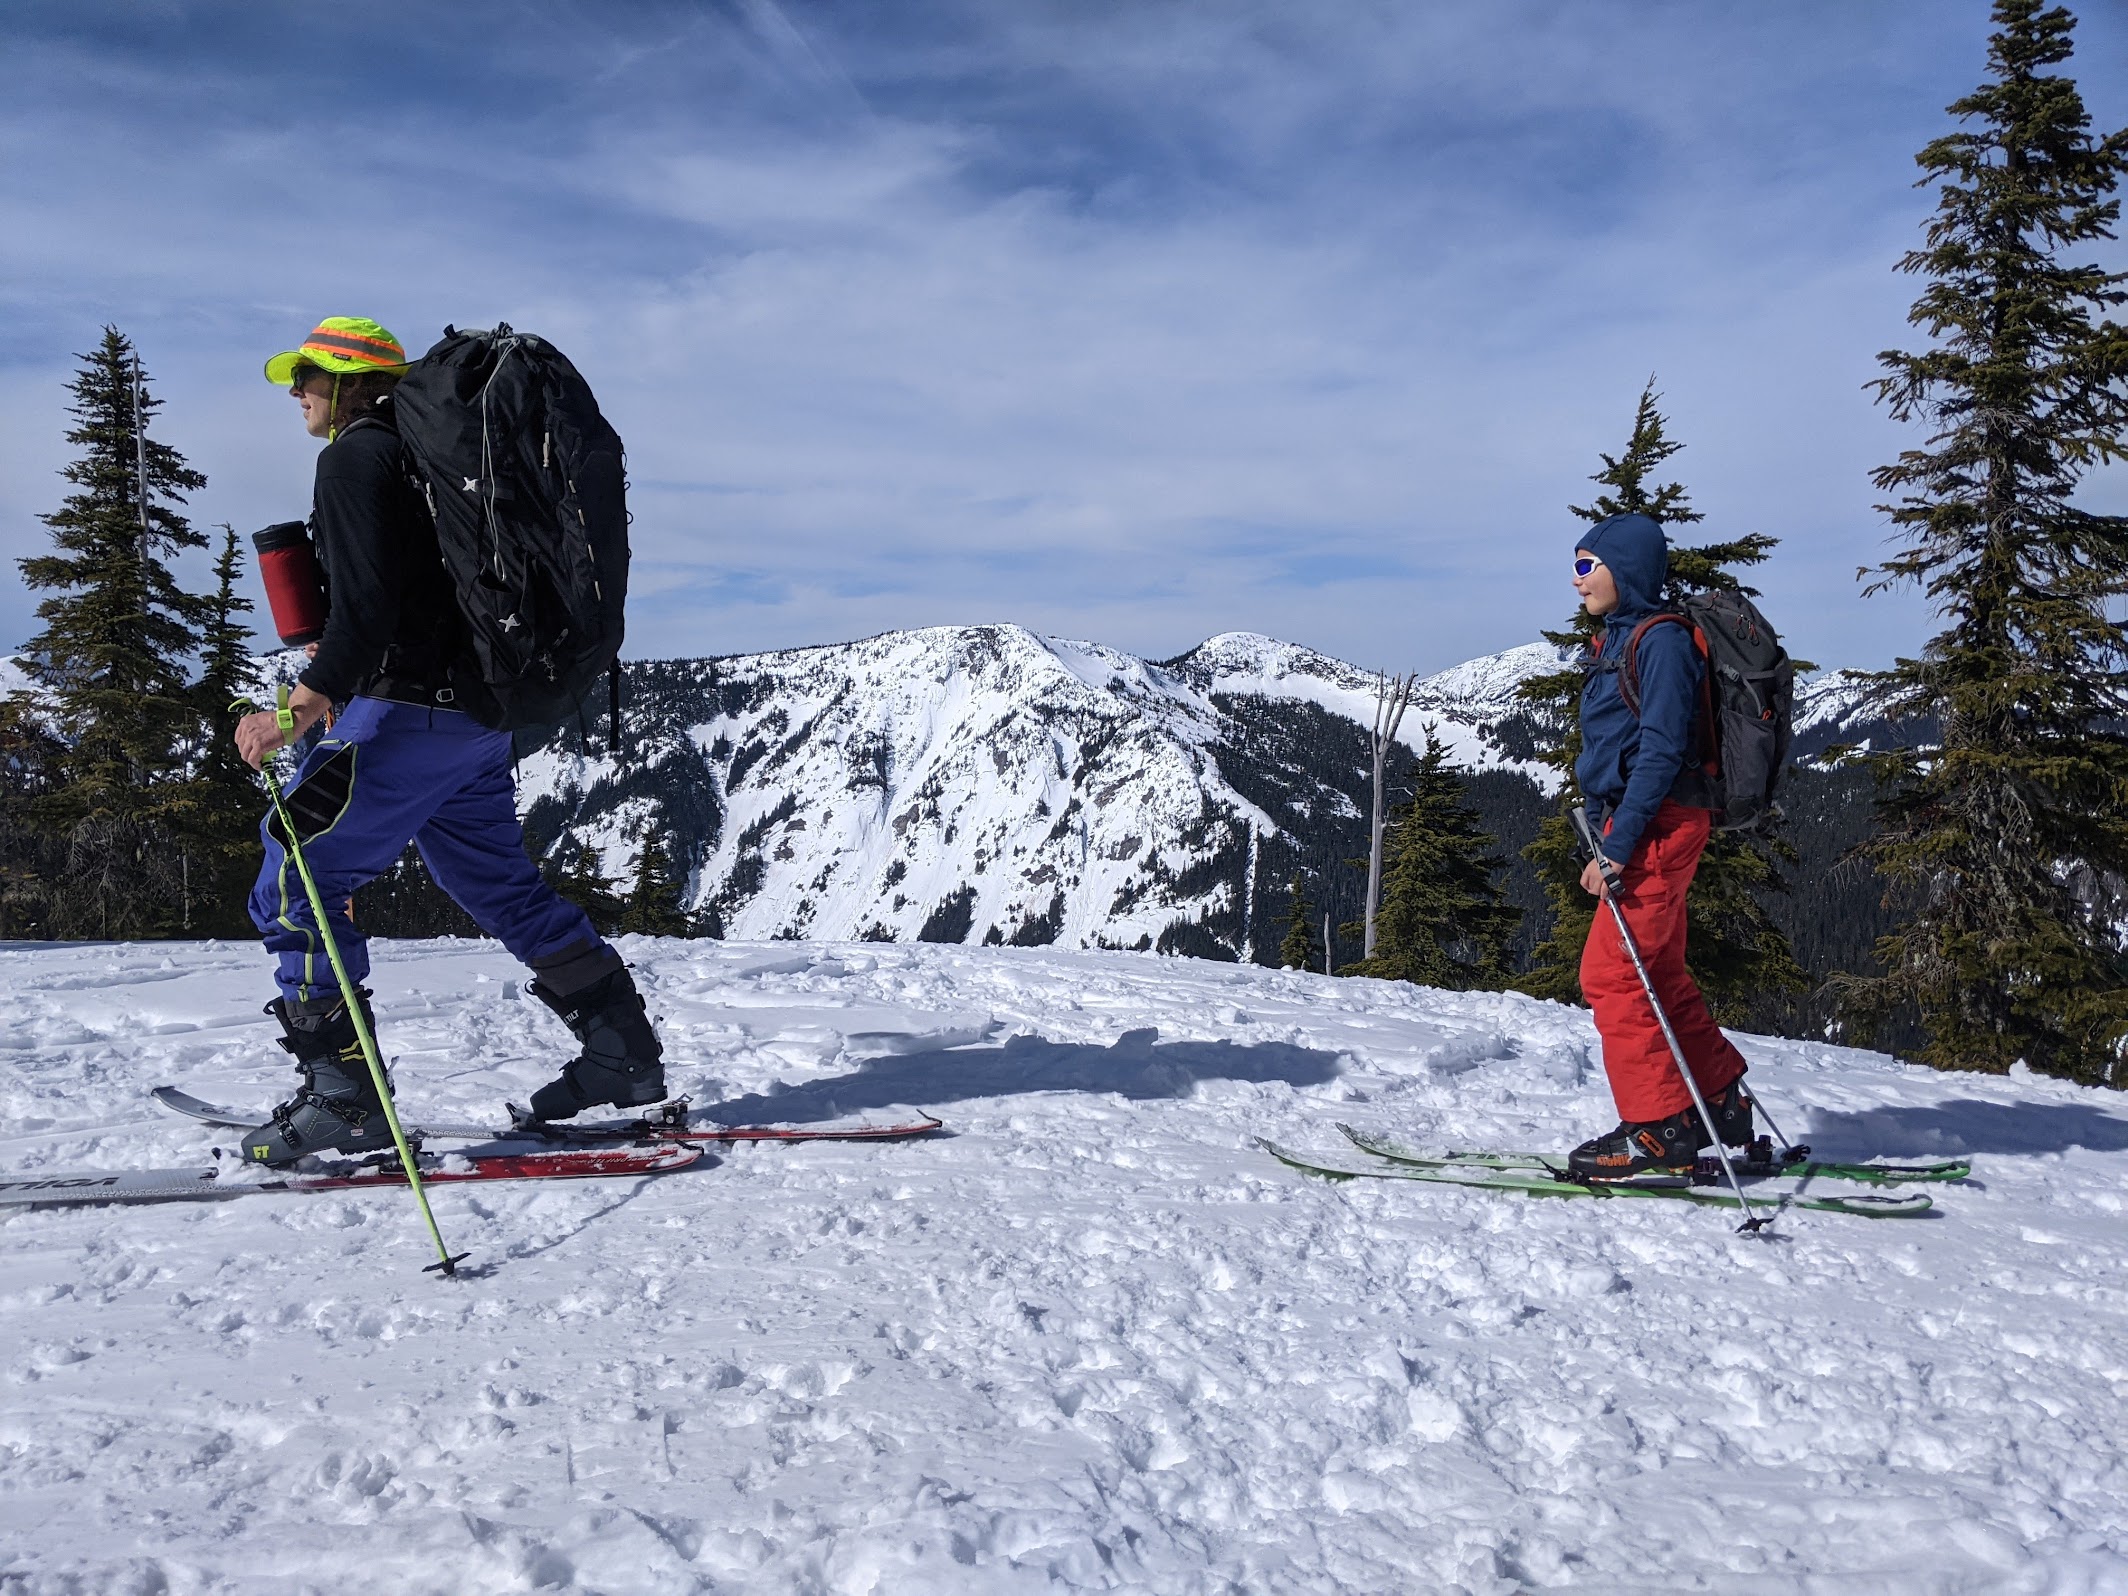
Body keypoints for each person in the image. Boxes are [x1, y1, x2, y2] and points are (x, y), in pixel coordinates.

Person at [231, 316, 665, 1165]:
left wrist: (295, 710)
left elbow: (363, 615)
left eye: (311, 375)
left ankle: (343, 1095)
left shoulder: (356, 455)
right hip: (476, 721)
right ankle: (623, 1053)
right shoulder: (432, 461)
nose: (298, 392)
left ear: (353, 380)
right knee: (496, 883)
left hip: (408, 715)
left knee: (297, 872)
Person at [1562, 511, 1753, 1179]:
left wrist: (1617, 843)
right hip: (1646, 823)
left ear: (1628, 570)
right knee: (1657, 972)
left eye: (1588, 565)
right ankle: (1718, 1100)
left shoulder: (1660, 643)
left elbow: (1662, 751)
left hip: (1659, 824)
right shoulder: (1620, 640)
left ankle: (1658, 1128)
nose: (1577, 578)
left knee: (1612, 975)